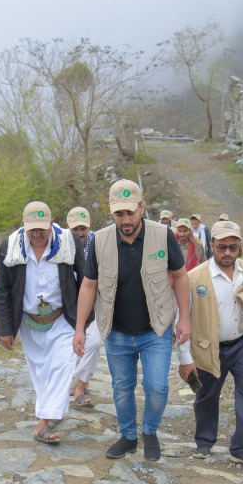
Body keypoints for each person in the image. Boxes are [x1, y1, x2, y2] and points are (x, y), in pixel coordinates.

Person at [73, 179, 191, 462]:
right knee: (121, 387)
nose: (125, 220)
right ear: (112, 213)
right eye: (119, 214)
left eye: (130, 212)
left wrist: (184, 318)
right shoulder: (100, 240)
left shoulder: (163, 235)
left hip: (156, 327)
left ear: (141, 208)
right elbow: (89, 285)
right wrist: (80, 328)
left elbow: (180, 275)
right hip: (117, 331)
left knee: (157, 387)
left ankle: (149, 431)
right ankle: (128, 436)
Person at [177, 219, 243, 466]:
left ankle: (241, 447)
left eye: (233, 247)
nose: (228, 253)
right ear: (212, 245)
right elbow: (181, 320)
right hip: (208, 345)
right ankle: (204, 441)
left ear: (239, 246)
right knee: (206, 393)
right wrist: (184, 358)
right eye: (222, 247)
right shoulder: (194, 277)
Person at [0, 202, 81, 444]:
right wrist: (5, 329)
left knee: (63, 364)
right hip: (28, 321)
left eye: (42, 228)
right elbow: (2, 291)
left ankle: (44, 423)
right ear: (24, 226)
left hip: (63, 319)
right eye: (32, 228)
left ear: (51, 224)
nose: (37, 233)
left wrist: (83, 323)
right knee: (41, 372)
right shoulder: (10, 247)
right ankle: (50, 414)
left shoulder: (68, 242)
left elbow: (85, 279)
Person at [67, 206, 100, 409]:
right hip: (71, 300)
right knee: (75, 343)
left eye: (83, 228)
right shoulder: (60, 243)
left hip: (98, 300)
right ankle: (82, 380)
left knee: (94, 343)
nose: (80, 233)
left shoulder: (99, 242)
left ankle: (79, 388)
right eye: (75, 229)